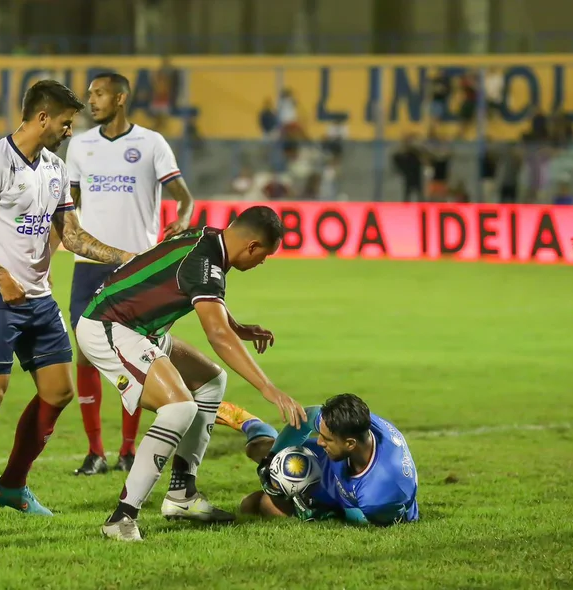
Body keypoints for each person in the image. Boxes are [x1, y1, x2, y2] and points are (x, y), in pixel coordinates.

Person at [0, 80, 135, 527]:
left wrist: (125, 256)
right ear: (43, 118)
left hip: (39, 300)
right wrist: (1, 275)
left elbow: (71, 235)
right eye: (67, 122)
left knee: (59, 391)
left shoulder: (53, 167)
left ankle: (11, 485)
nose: (71, 131)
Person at [75, 206, 306, 541]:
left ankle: (182, 494)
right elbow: (217, 335)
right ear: (252, 246)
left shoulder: (209, 239)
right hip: (110, 327)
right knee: (179, 408)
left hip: (142, 328)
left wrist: (237, 326)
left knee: (211, 381)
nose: (262, 263)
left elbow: (203, 299)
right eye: (265, 255)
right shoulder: (205, 263)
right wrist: (268, 389)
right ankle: (122, 517)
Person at [64, 72, 195, 476]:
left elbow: (183, 197)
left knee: (138, 351)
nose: (92, 102)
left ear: (120, 98)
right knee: (85, 353)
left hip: (136, 264)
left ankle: (126, 449)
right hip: (88, 264)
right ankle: (95, 451)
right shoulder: (79, 145)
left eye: (99, 94)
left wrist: (182, 218)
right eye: (89, 96)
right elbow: (67, 210)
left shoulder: (151, 143)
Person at [229, 393, 420, 526]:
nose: (319, 442)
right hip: (335, 463)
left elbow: (363, 519)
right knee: (259, 450)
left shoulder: (380, 493)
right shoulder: (356, 423)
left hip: (349, 498)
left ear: (350, 443)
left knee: (255, 504)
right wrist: (272, 458)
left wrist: (317, 510)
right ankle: (250, 422)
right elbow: (308, 417)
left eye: (326, 438)